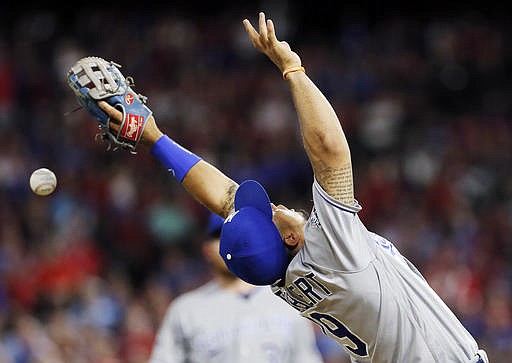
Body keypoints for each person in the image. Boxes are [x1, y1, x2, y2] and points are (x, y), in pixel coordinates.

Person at [96, 12, 488, 363]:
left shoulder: (281, 275)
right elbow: (330, 150)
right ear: (287, 237)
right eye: (269, 212)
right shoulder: (330, 250)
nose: (274, 205)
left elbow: (224, 198)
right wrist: (291, 68)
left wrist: (155, 140)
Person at [147, 212, 324, 363]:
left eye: (241, 236)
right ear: (206, 249)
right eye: (221, 236)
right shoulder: (185, 310)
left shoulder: (288, 300)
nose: (232, 242)